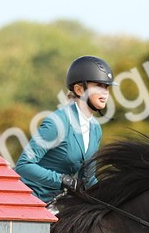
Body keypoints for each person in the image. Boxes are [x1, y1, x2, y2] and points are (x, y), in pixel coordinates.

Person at [15, 55, 114, 205]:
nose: (105, 93)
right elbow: (24, 165)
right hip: (32, 200)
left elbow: (87, 179)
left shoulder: (95, 129)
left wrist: (110, 195)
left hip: (60, 203)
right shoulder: (56, 123)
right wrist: (62, 180)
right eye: (99, 86)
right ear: (79, 90)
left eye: (107, 87)